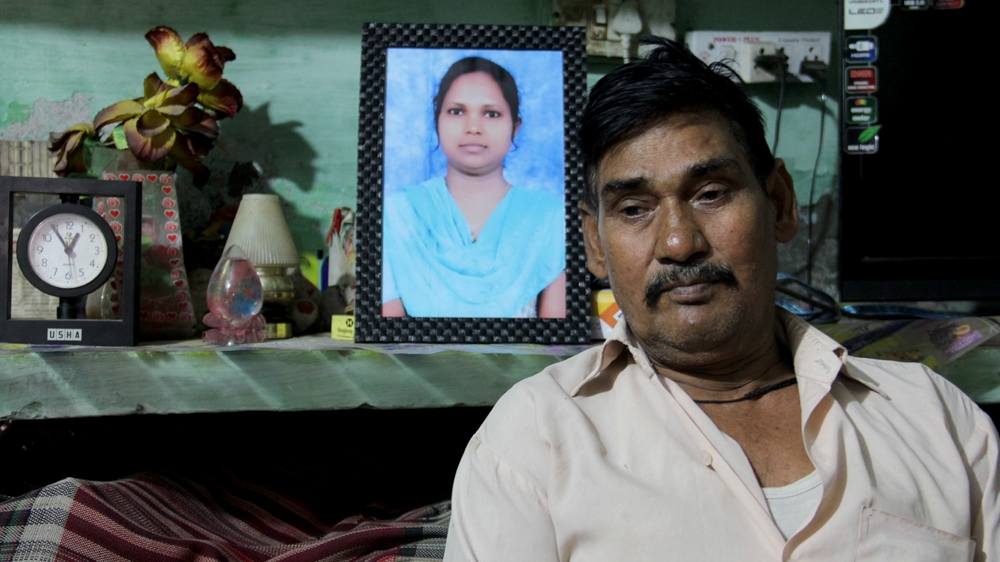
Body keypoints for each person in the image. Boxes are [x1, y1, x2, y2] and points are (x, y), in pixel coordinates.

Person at [443, 37, 1000, 561]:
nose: (679, 242)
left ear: (780, 203)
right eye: (635, 208)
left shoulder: (937, 420)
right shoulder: (530, 441)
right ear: (593, 242)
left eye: (711, 194)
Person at [381, 56, 566, 319]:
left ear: (515, 127)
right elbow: (389, 336)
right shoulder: (399, 213)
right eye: (457, 111)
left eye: (491, 114)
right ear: (437, 121)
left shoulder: (549, 216)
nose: (473, 128)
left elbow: (556, 336)